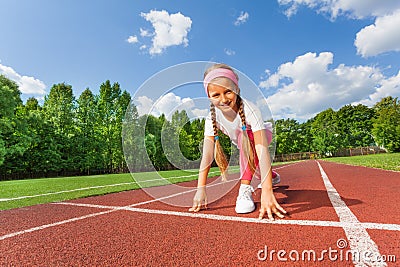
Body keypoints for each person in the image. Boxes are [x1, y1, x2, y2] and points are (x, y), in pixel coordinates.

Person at [188, 63, 286, 220]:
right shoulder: (211, 119)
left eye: (228, 92)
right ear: (209, 96)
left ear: (237, 90)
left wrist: (267, 190)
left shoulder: (250, 109)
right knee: (246, 147)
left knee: (245, 136)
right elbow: (207, 154)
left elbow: (261, 148)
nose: (223, 99)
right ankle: (272, 176)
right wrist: (201, 188)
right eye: (216, 95)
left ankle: (245, 188)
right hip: (244, 145)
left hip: (261, 136)